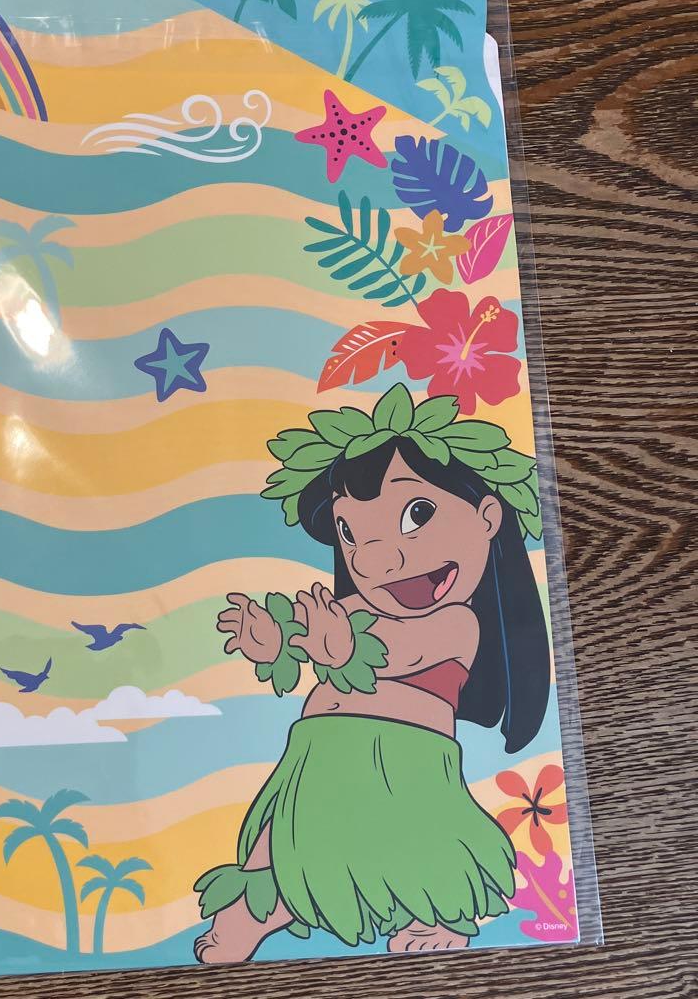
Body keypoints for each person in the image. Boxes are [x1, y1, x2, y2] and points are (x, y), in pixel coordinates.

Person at [194, 384, 549, 961]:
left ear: (488, 518)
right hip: (316, 748)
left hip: (401, 756)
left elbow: (398, 652)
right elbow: (305, 637)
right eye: (350, 533)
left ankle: (446, 916)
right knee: (276, 845)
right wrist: (272, 641)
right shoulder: (357, 605)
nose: (373, 557)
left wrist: (341, 652)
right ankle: (247, 917)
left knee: (417, 843)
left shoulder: (459, 621)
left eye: (416, 514)